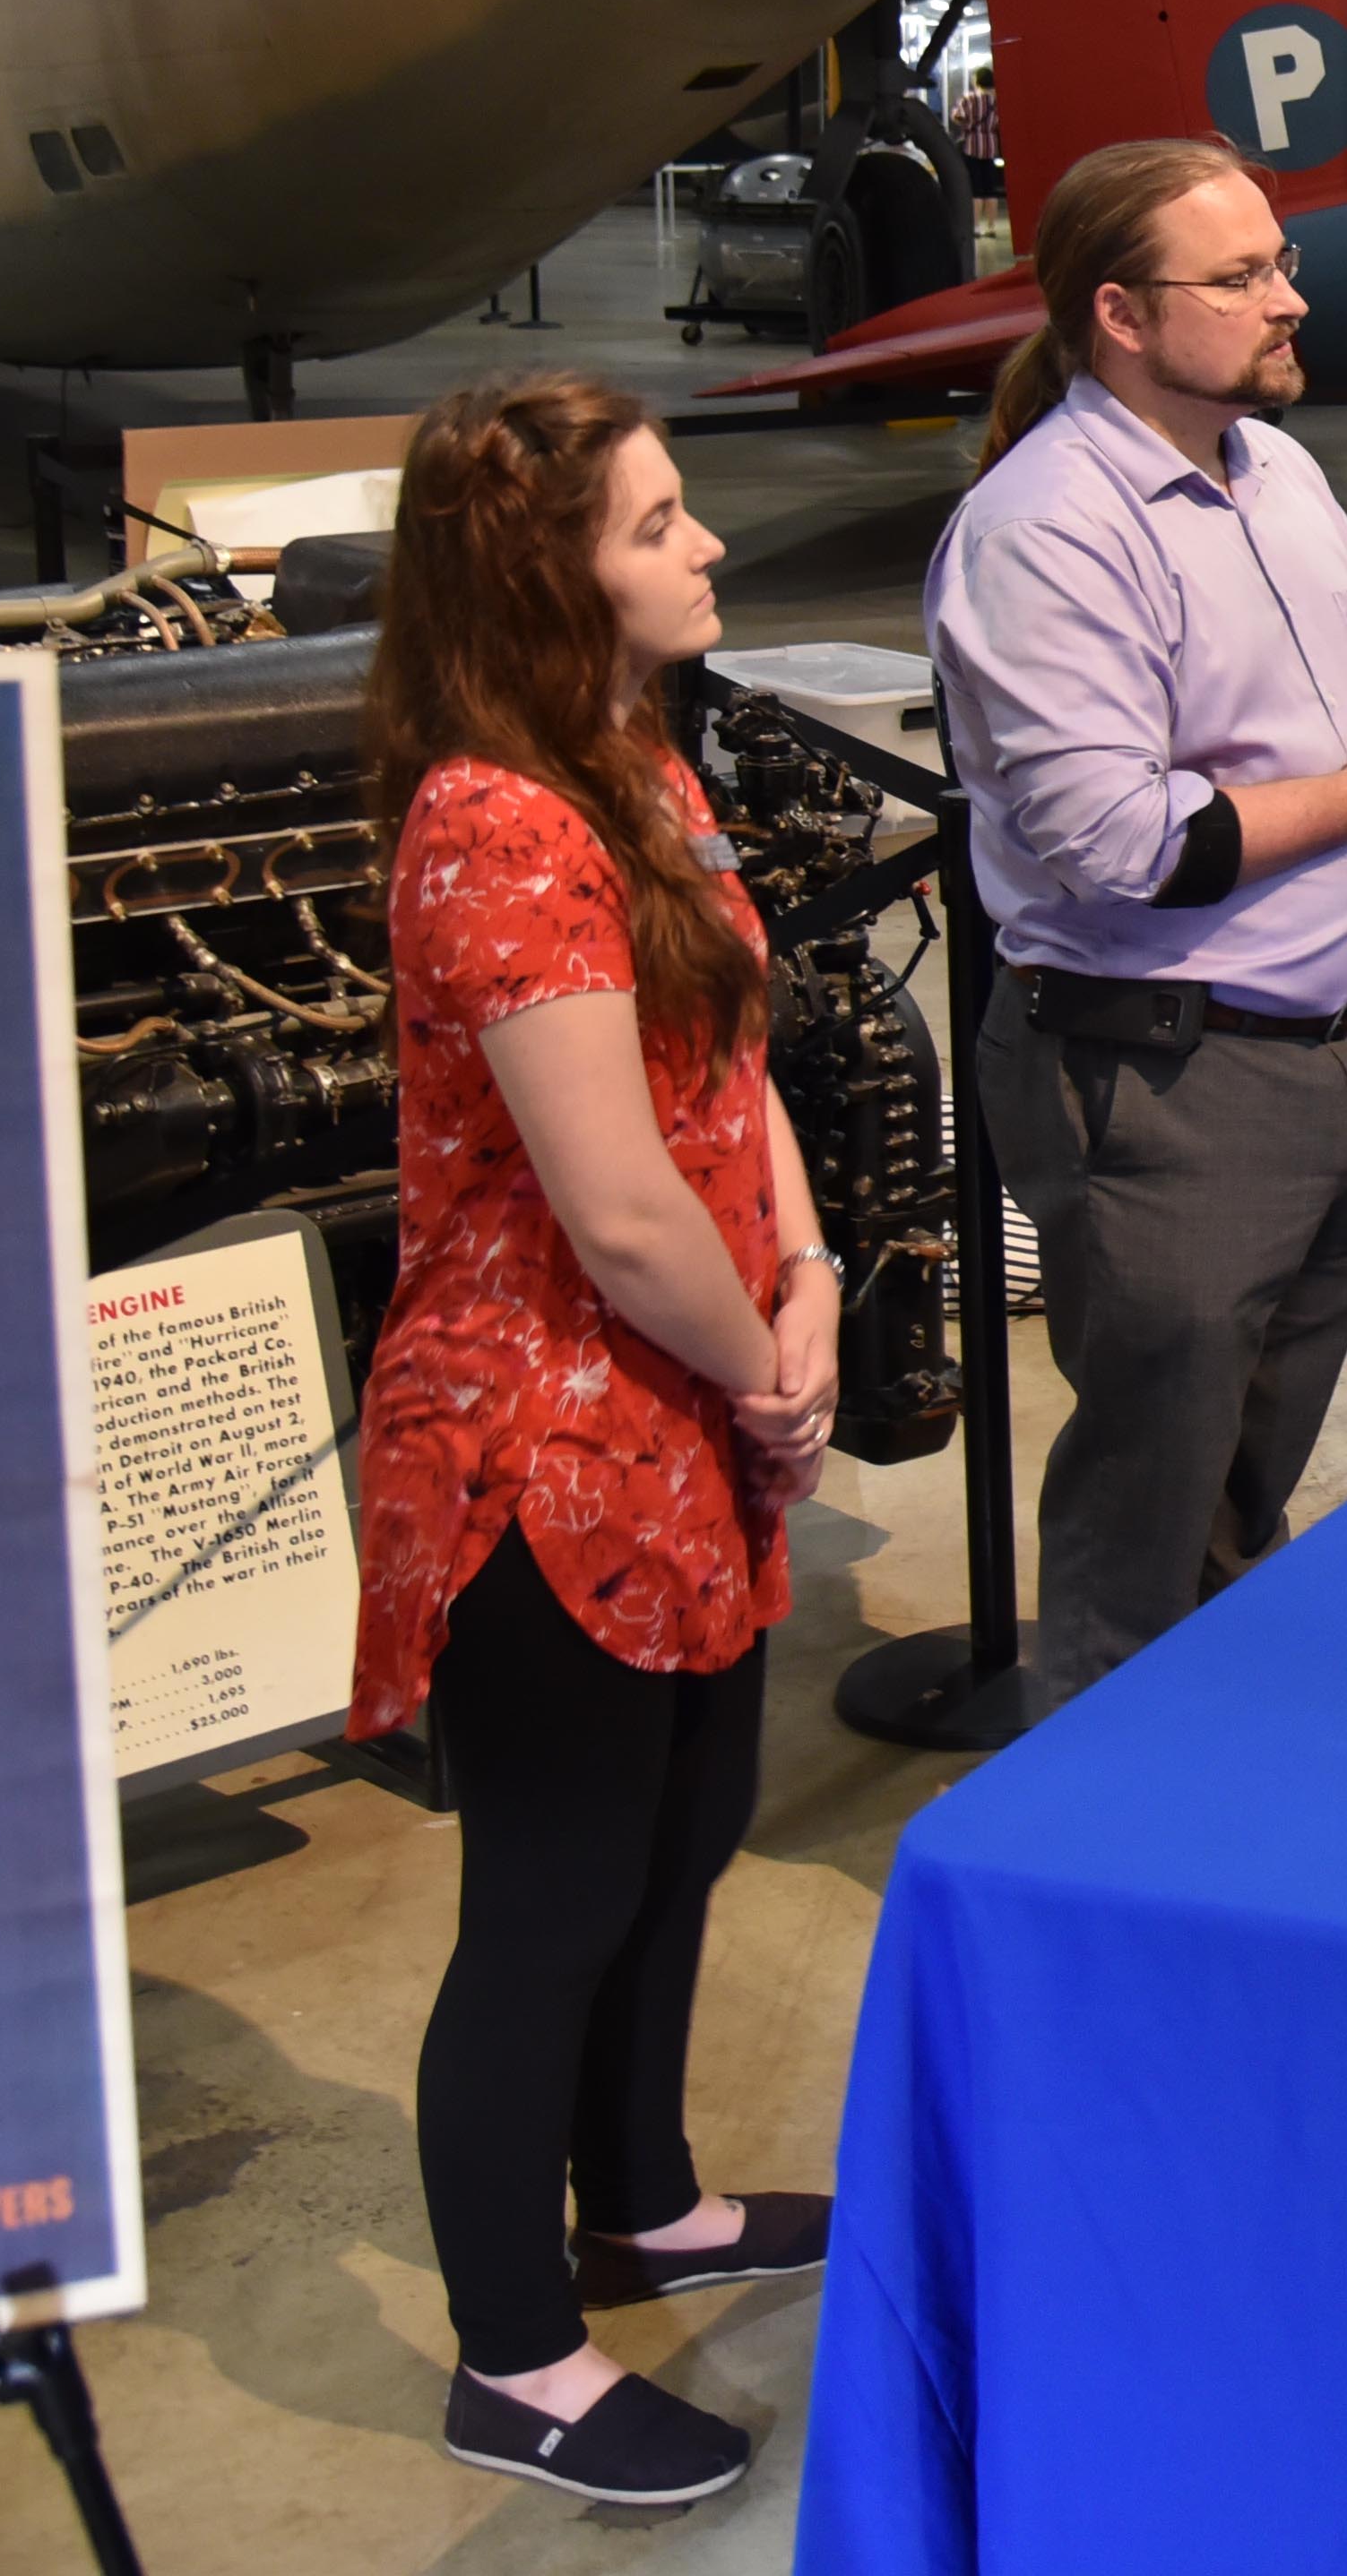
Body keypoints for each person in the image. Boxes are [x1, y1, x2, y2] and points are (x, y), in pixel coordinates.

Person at [350, 374, 841, 2511]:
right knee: (549, 1892)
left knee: (689, 1822)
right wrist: (762, 1360)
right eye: (660, 524)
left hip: (690, 1401)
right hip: (542, 1447)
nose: (706, 545)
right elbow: (618, 1205)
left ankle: (641, 2193)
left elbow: (732, 1069)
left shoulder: (635, 765)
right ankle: (515, 2349)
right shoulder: (495, 822)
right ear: (549, 570)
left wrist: (808, 1280)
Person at [925, 137, 1347, 1702]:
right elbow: (1119, 844)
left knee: (1239, 1498)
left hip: (1322, 1063)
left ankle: (1211, 1800)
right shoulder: (1048, 530)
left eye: (1277, 263)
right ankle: (1090, 1864)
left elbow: (1324, 702)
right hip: (1162, 1080)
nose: (1284, 298)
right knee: (1144, 1533)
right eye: (1237, 277)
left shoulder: (1277, 472)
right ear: (1119, 313)